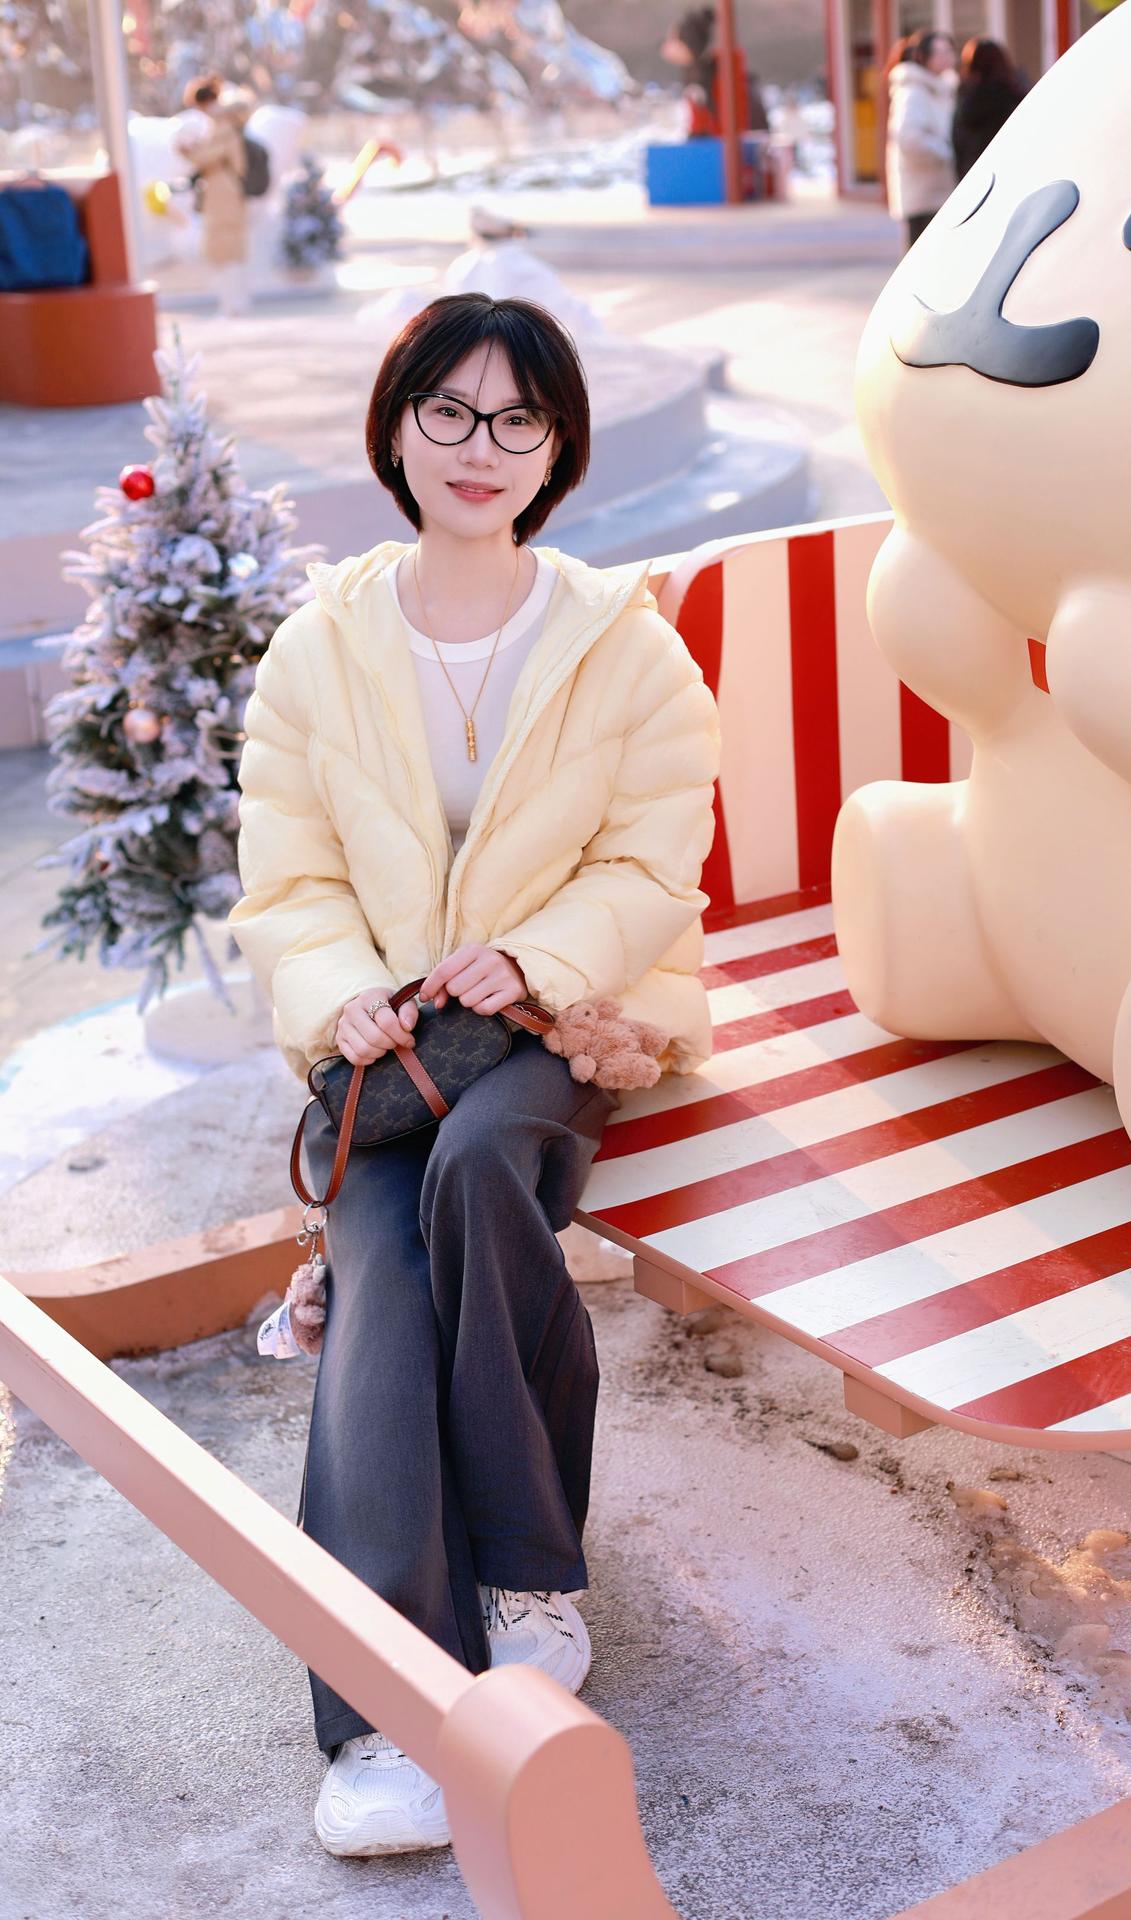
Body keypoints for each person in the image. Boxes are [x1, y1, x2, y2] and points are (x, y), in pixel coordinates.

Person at [227, 292, 721, 1857]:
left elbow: (658, 857)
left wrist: (543, 957)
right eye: (448, 409)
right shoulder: (316, 651)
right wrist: (343, 996)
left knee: (478, 1165)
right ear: (396, 426)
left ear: (558, 447)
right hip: (391, 1041)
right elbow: (287, 881)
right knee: (379, 1257)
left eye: (519, 418)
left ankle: (527, 1576)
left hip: (572, 1019)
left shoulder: (622, 643)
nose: (480, 445)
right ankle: (383, 1703)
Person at [175, 74, 252, 317]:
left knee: (224, 250)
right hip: (226, 192)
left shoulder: (222, 124)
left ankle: (232, 306)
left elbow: (208, 157)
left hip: (224, 193)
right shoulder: (225, 122)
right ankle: (234, 304)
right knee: (228, 249)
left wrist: (188, 151)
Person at [884, 28, 958, 251]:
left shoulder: (942, 88)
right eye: (940, 52)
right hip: (922, 193)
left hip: (940, 188)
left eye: (949, 51)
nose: (946, 57)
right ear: (924, 56)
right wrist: (945, 153)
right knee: (922, 257)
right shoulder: (913, 92)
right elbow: (908, 138)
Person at [952, 37, 1028, 178]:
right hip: (1016, 167)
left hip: (978, 174)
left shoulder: (968, 97)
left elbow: (959, 141)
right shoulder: (1017, 90)